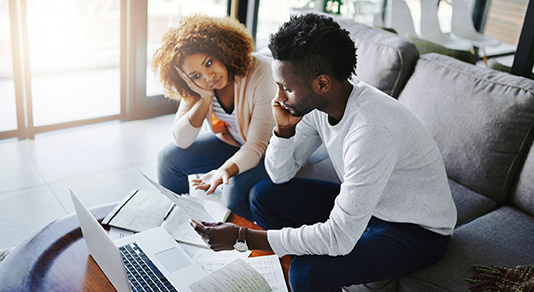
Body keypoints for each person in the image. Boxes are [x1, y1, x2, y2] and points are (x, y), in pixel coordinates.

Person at [191, 13, 458, 291]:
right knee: (263, 196)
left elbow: (340, 237)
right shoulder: (320, 104)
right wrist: (283, 131)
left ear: (321, 84)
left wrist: (244, 237)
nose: (278, 97)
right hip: (373, 207)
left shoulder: (370, 130)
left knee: (306, 273)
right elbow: (280, 175)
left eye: (286, 88)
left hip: (415, 230)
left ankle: (313, 272)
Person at [152, 14, 276, 221]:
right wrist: (204, 98)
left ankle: (242, 249)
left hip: (272, 152)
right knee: (168, 159)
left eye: (209, 63)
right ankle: (177, 225)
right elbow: (182, 140)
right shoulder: (200, 87)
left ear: (222, 50)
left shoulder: (262, 74)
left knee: (232, 195)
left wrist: (223, 171)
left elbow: (257, 146)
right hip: (236, 143)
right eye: (196, 75)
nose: (208, 77)